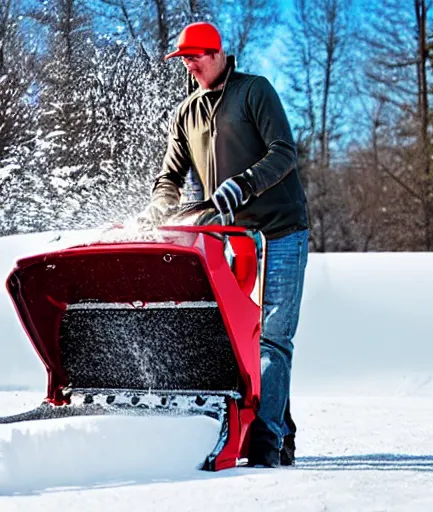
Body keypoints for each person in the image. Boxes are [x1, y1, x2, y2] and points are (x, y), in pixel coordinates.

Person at [141, 21, 309, 468]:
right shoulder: (186, 113)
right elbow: (169, 178)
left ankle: (265, 443)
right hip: (231, 237)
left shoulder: (255, 91)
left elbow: (283, 152)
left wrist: (243, 185)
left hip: (279, 229)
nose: (190, 66)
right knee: (241, 339)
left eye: (195, 57)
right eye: (184, 60)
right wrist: (161, 206)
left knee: (272, 338)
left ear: (216, 53)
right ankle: (281, 431)